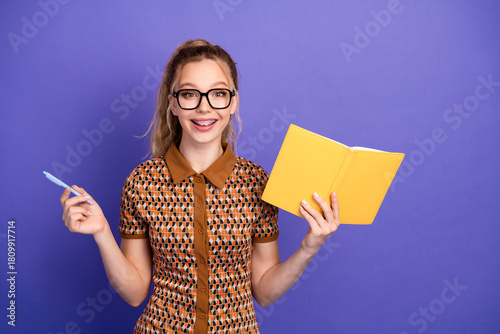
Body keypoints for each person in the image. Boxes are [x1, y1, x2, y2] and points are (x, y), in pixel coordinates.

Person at [60, 39, 340, 334]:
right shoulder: (141, 183)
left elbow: (264, 291)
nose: (204, 107)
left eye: (218, 94)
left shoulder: (257, 182)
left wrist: (310, 247)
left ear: (233, 102)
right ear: (173, 103)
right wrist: (102, 232)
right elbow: (134, 293)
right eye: (190, 94)